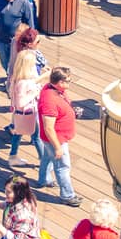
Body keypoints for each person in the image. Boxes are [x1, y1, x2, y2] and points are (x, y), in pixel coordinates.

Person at [37, 68, 83, 207]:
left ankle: (44, 179)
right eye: (67, 81)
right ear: (59, 82)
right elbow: (48, 127)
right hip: (56, 139)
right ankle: (67, 195)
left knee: (47, 157)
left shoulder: (54, 89)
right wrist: (57, 147)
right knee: (62, 166)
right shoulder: (49, 101)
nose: (70, 83)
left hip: (55, 138)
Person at [7, 28, 45, 163]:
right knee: (37, 137)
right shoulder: (25, 83)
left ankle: (13, 156)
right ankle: (43, 160)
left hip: (19, 114)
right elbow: (23, 101)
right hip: (29, 112)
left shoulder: (17, 79)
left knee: (18, 132)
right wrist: (36, 91)